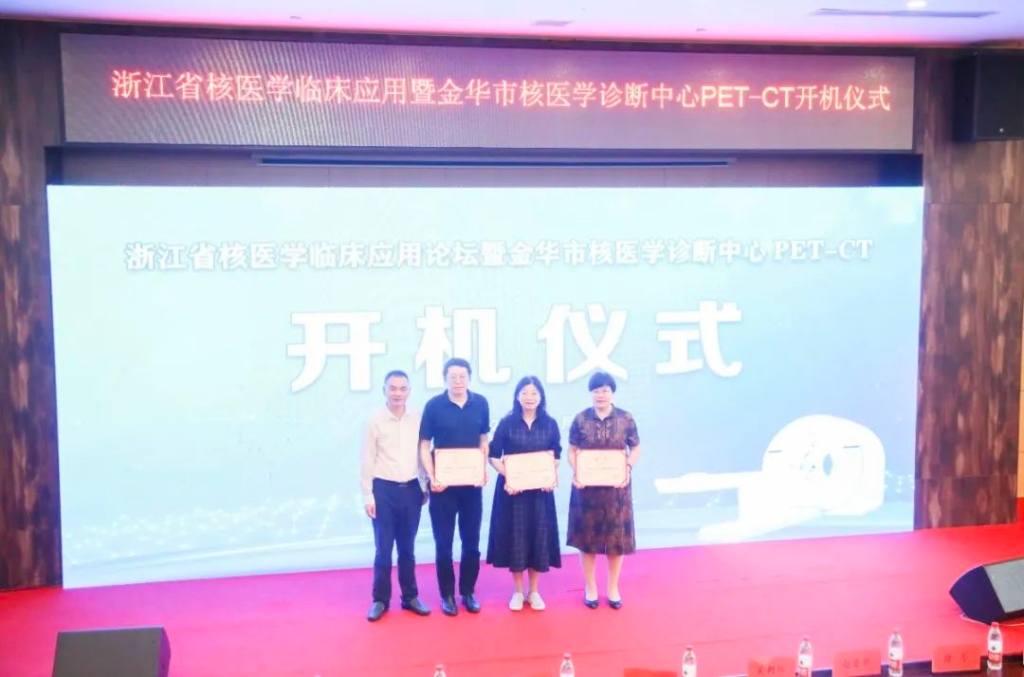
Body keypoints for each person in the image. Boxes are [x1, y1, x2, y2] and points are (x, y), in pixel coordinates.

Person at [419, 357, 491, 616]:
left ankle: (468, 592)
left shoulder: (480, 403)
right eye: (453, 377)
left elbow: (483, 439)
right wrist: (432, 476)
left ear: (469, 378)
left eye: (462, 376)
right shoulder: (434, 406)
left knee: (471, 543)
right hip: (442, 488)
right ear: (445, 379)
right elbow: (424, 446)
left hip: (471, 486)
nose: (458, 381)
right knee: (444, 544)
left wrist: (482, 468)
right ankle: (447, 594)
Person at [566, 371, 642, 610]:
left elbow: (636, 448)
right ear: (591, 393)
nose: (601, 395)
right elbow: (571, 450)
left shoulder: (626, 419)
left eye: (605, 390)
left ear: (612, 393)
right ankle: (590, 587)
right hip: (586, 491)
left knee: (616, 541)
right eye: (596, 391)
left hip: (616, 492)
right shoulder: (580, 419)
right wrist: (578, 470)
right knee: (586, 541)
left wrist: (627, 467)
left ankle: (612, 588)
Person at [486, 375, 562, 611]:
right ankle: (518, 592)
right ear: (517, 396)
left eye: (534, 393)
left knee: (538, 537)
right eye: (525, 393)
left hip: (540, 492)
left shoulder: (550, 424)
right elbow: (493, 456)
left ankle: (534, 591)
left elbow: (556, 456)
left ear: (541, 397)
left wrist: (549, 476)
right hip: (513, 493)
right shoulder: (507, 423)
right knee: (517, 538)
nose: (529, 397)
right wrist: (510, 475)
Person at [360, 370, 431, 622]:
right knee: (383, 549)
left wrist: (424, 485)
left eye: (402, 388)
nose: (398, 393)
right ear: (384, 391)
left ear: (409, 391)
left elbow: (423, 453)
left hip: (411, 489)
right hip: (383, 491)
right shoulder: (375, 421)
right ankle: (380, 600)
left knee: (407, 549)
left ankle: (410, 597)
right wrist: (368, 495)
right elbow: (367, 459)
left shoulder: (418, 418)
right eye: (393, 388)